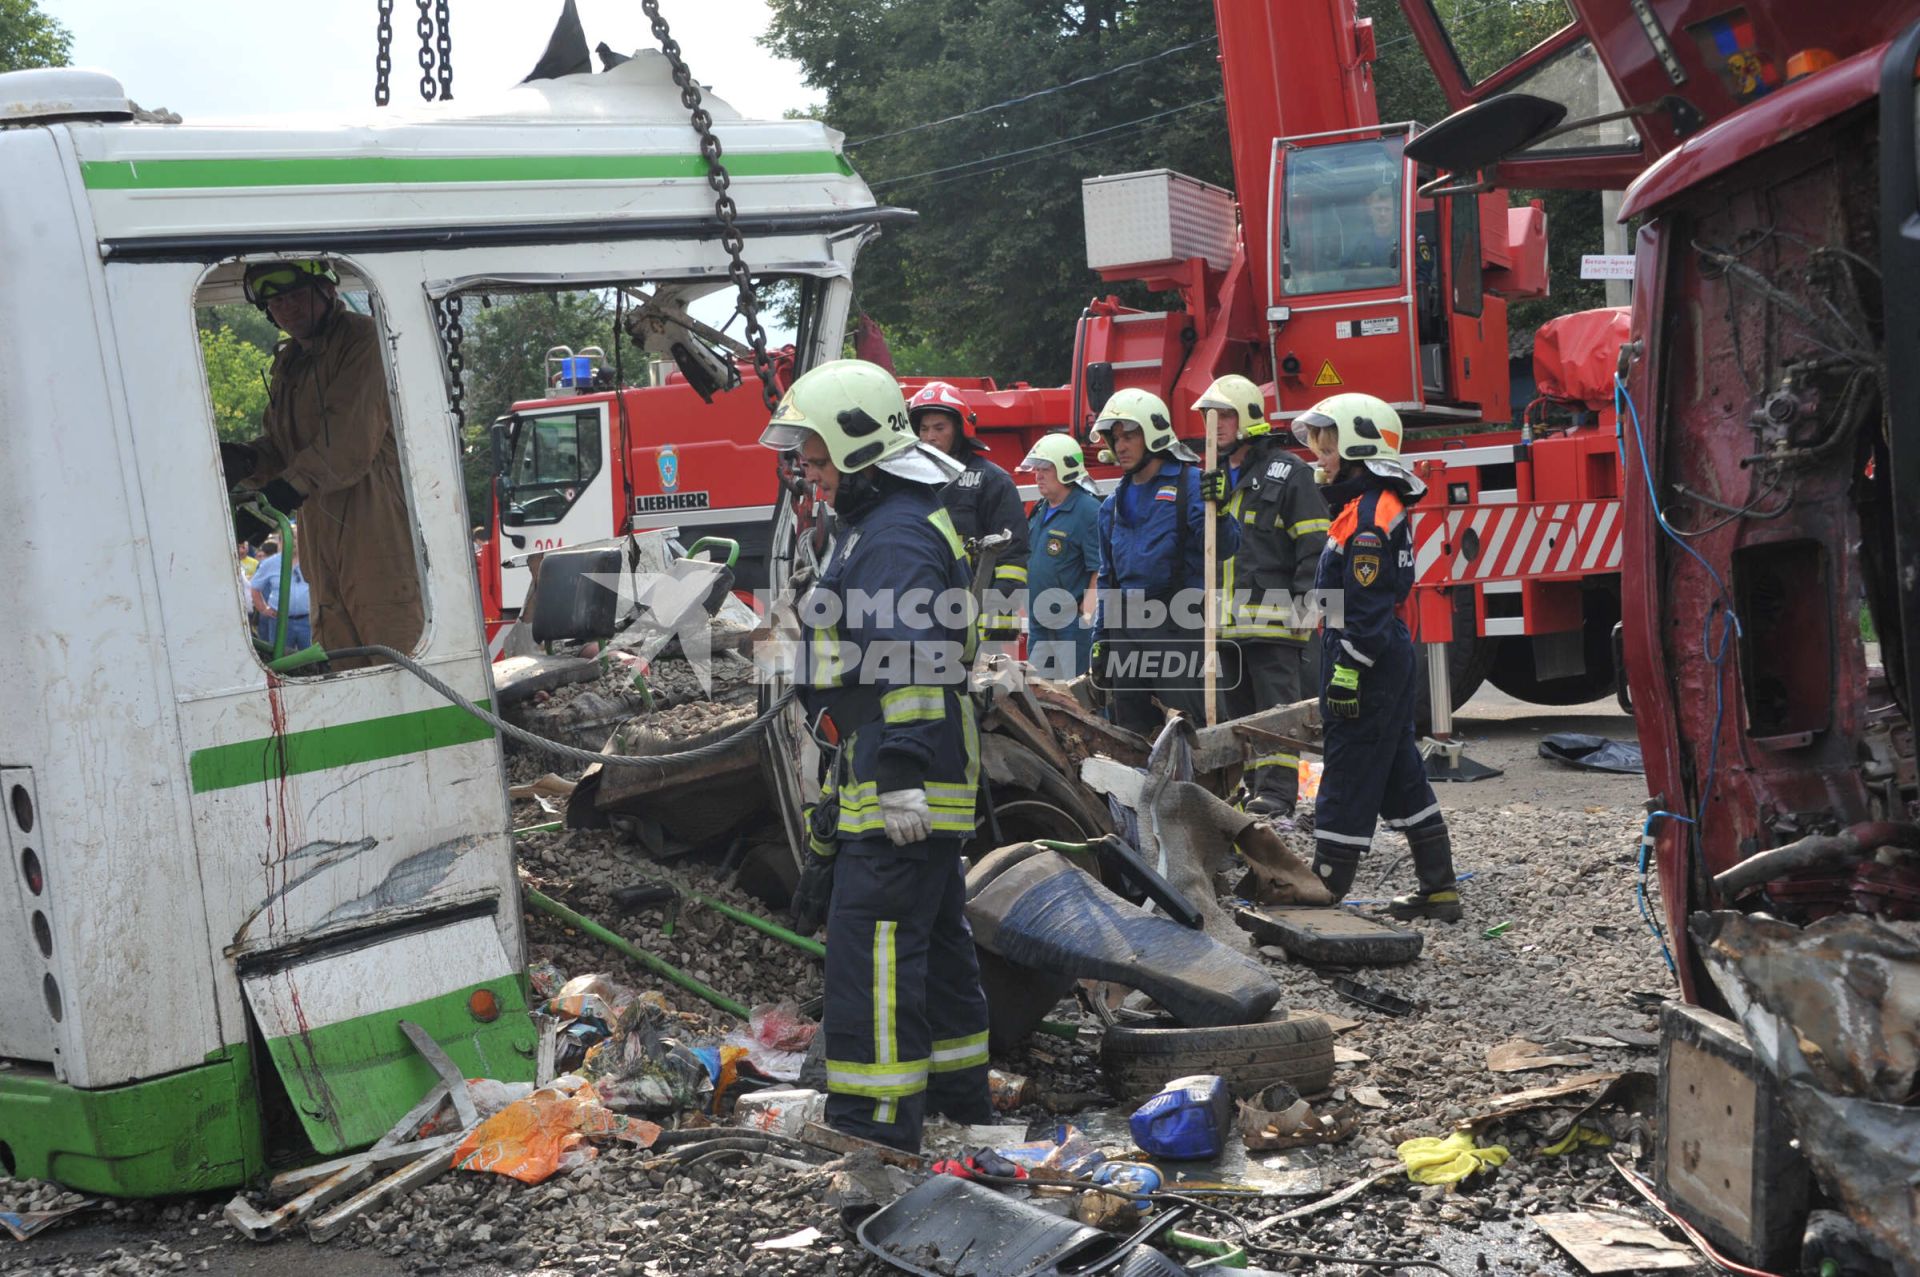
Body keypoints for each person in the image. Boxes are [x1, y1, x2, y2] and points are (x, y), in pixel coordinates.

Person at [760, 359, 992, 1153]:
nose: (812, 475)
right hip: (903, 773)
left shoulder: (891, 535)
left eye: (819, 458)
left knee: (877, 952)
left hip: (905, 781)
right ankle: (963, 1103)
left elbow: (915, 660)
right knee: (934, 941)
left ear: (860, 446)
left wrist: (896, 777)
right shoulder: (881, 519)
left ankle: (876, 1125)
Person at [1295, 392, 1461, 921]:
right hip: (1381, 656)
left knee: (1346, 770)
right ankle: (1438, 889)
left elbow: (1363, 612)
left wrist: (1345, 671)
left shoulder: (1366, 519)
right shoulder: (1367, 507)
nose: (1319, 458)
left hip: (1364, 658)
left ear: (1357, 448)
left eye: (1326, 448)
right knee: (1397, 772)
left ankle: (1324, 888)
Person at [227, 258, 422, 666]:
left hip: (377, 529)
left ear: (328, 290)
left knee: (397, 656)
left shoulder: (362, 340)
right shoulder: (291, 362)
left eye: (297, 295)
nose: (288, 309)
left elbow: (347, 442)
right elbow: (286, 448)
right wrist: (246, 461)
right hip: (320, 531)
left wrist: (280, 494)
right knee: (342, 658)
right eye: (277, 302)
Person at [1195, 375, 1329, 820]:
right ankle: (1250, 792)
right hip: (1227, 624)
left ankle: (1277, 795)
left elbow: (1314, 542)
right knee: (1241, 717)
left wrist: (1307, 607)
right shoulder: (1212, 477)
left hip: (1275, 622)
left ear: (1248, 417)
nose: (1215, 425)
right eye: (1209, 417)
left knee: (1276, 713)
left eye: (1225, 416)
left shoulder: (1289, 472)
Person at [1087, 388, 1238, 734]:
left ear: (1154, 435)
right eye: (1115, 438)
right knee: (1132, 733)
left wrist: (1223, 510)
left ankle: (1203, 790)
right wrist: (1101, 638)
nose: (1120, 446)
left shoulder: (1193, 485)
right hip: (1125, 629)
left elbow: (1225, 546)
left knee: (1189, 731)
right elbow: (1108, 579)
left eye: (1129, 436)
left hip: (1177, 624)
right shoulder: (1110, 505)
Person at [907, 381, 1029, 642]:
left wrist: (996, 620)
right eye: (924, 429)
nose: (930, 436)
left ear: (960, 428)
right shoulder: (906, 482)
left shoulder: (992, 481)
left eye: (940, 428)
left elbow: (1012, 559)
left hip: (975, 618)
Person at [1016, 433, 1100, 679]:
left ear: (1066, 469)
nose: (1037, 475)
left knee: (1078, 697)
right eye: (1037, 468)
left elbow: (1099, 570)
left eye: (1046, 468)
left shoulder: (1087, 510)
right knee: (1043, 695)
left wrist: (1085, 617)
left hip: (1070, 627)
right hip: (1040, 623)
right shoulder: (1042, 509)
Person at [250, 536, 313, 654]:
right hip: (280, 622)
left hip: (307, 621)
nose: (293, 541)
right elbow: (255, 588)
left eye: (296, 537)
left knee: (312, 660)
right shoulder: (270, 563)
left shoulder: (310, 560)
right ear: (280, 542)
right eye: (290, 537)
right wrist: (263, 609)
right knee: (281, 659)